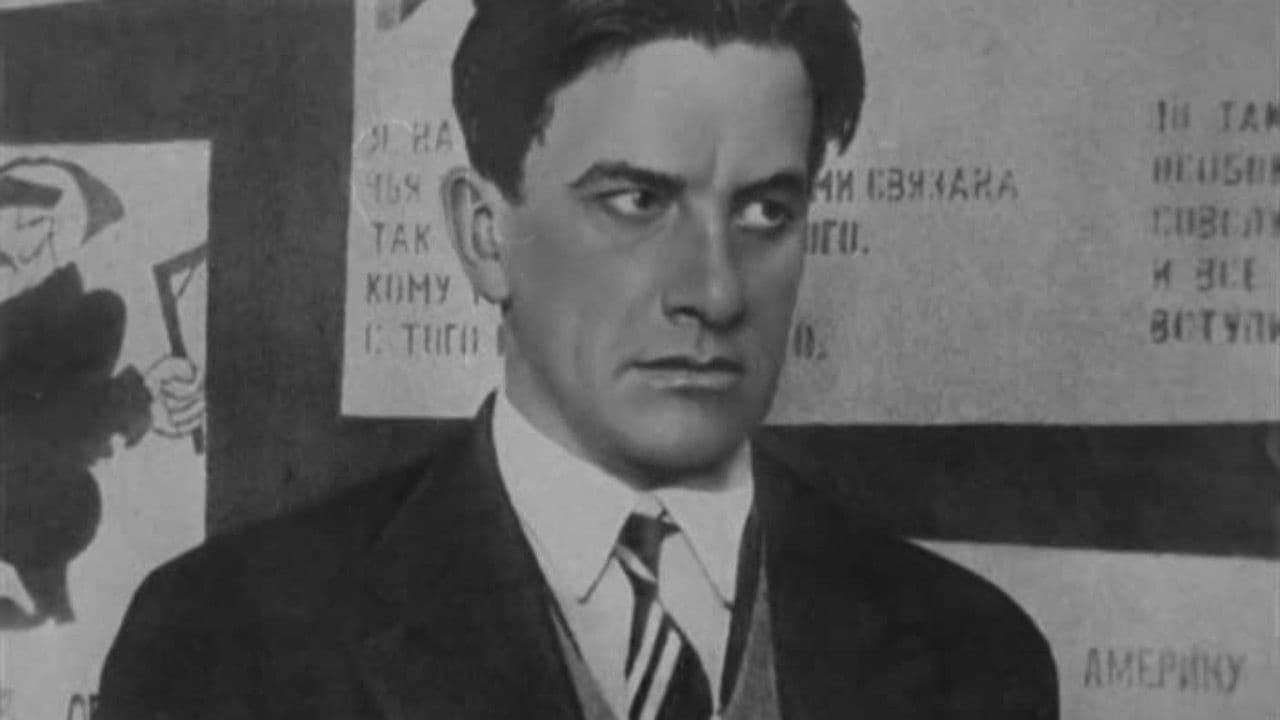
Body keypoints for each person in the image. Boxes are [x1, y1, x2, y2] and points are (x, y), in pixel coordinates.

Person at [98, 0, 1059, 718]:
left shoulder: (975, 656)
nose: (716, 291)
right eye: (637, 202)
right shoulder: (225, 646)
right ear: (484, 235)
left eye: (767, 210)